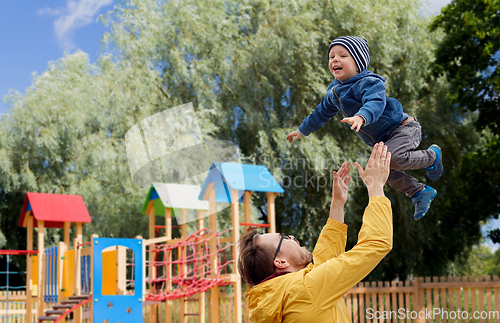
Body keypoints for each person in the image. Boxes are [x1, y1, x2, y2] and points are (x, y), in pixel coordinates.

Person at [286, 36, 443, 220]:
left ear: (358, 64)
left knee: (394, 158)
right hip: (384, 140)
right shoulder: (333, 93)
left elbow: (375, 102)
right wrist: (302, 130)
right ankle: (419, 192)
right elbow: (320, 113)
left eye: (343, 55)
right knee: (378, 170)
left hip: (403, 128)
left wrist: (361, 116)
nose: (335, 59)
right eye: (331, 57)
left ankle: (432, 157)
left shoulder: (369, 82)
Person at [238, 142, 393, 323]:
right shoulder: (306, 289)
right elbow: (376, 244)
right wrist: (376, 187)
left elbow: (322, 262)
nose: (292, 237)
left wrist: (337, 204)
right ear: (280, 262)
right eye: (285, 238)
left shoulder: (277, 297)